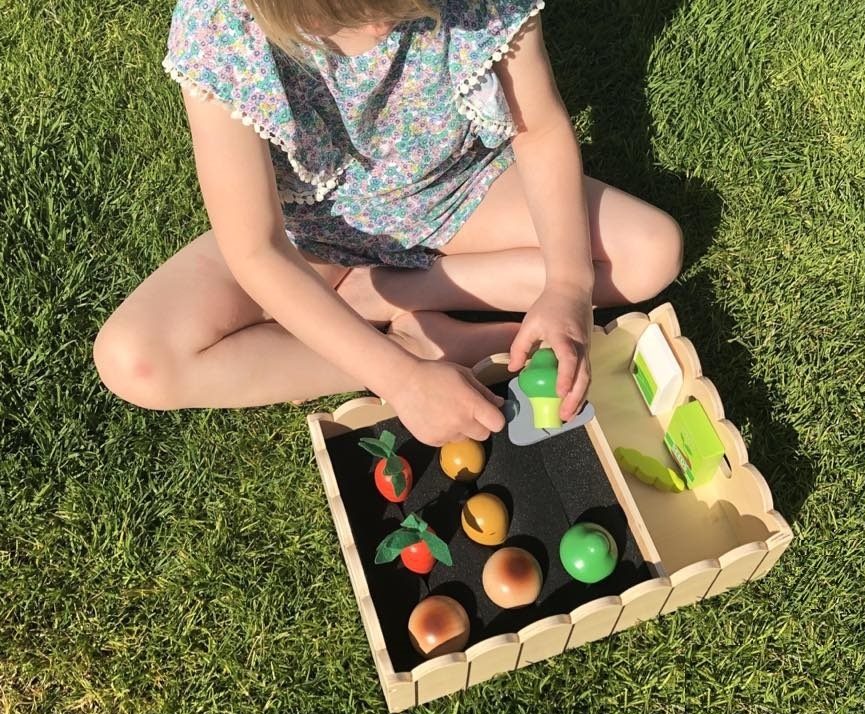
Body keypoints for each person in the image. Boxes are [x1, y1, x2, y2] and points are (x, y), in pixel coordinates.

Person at [93, 0, 682, 446]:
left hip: (458, 189)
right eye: (353, 19)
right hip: (312, 231)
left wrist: (568, 287)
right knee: (135, 360)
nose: (382, 30)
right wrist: (399, 376)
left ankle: (395, 294)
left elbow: (542, 129)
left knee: (650, 250)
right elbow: (257, 251)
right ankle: (408, 340)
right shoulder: (220, 30)